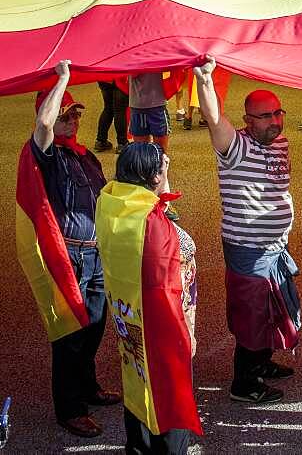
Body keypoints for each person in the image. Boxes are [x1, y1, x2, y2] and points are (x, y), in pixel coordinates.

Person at [19, 60, 121, 438]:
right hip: (69, 256)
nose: (71, 120)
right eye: (65, 114)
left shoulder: (85, 155)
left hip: (96, 254)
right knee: (69, 336)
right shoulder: (44, 154)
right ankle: (70, 408)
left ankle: (87, 386)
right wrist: (62, 79)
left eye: (75, 114)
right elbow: (44, 126)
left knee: (94, 327)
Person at [193, 56, 299, 405]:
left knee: (271, 307)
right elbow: (212, 116)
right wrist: (206, 81)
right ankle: (244, 382)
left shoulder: (280, 142)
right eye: (266, 116)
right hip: (248, 246)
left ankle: (263, 363)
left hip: (274, 245)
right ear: (247, 121)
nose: (275, 121)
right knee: (251, 314)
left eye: (278, 113)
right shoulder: (233, 146)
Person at [96, 143, 201, 453]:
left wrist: (160, 174)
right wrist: (187, 333)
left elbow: (154, 200)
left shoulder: (113, 202)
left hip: (130, 316)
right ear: (155, 177)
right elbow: (173, 279)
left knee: (136, 383)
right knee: (167, 394)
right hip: (164, 325)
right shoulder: (156, 226)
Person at [128, 72, 171, 152]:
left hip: (156, 104)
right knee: (141, 152)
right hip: (139, 104)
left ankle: (160, 163)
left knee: (160, 152)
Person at [94, 79, 129, 154]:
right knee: (119, 110)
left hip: (104, 75)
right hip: (120, 76)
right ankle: (122, 143)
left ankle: (101, 141)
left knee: (108, 108)